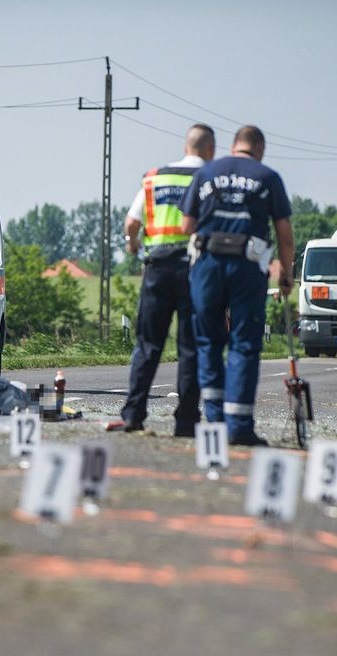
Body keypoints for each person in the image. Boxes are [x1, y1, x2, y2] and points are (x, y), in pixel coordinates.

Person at [179, 126, 294, 446]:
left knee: (209, 342)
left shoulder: (207, 172)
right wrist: (286, 273)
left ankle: (215, 420)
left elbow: (186, 224)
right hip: (247, 266)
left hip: (208, 263)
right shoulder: (268, 177)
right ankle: (239, 426)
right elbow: (284, 233)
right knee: (244, 343)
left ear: (232, 147)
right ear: (259, 150)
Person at [119, 124, 215, 437]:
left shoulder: (155, 177)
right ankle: (186, 421)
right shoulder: (211, 178)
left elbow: (132, 222)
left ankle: (134, 414)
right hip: (195, 269)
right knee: (190, 347)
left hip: (157, 269)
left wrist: (133, 245)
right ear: (210, 150)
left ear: (186, 146)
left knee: (147, 344)